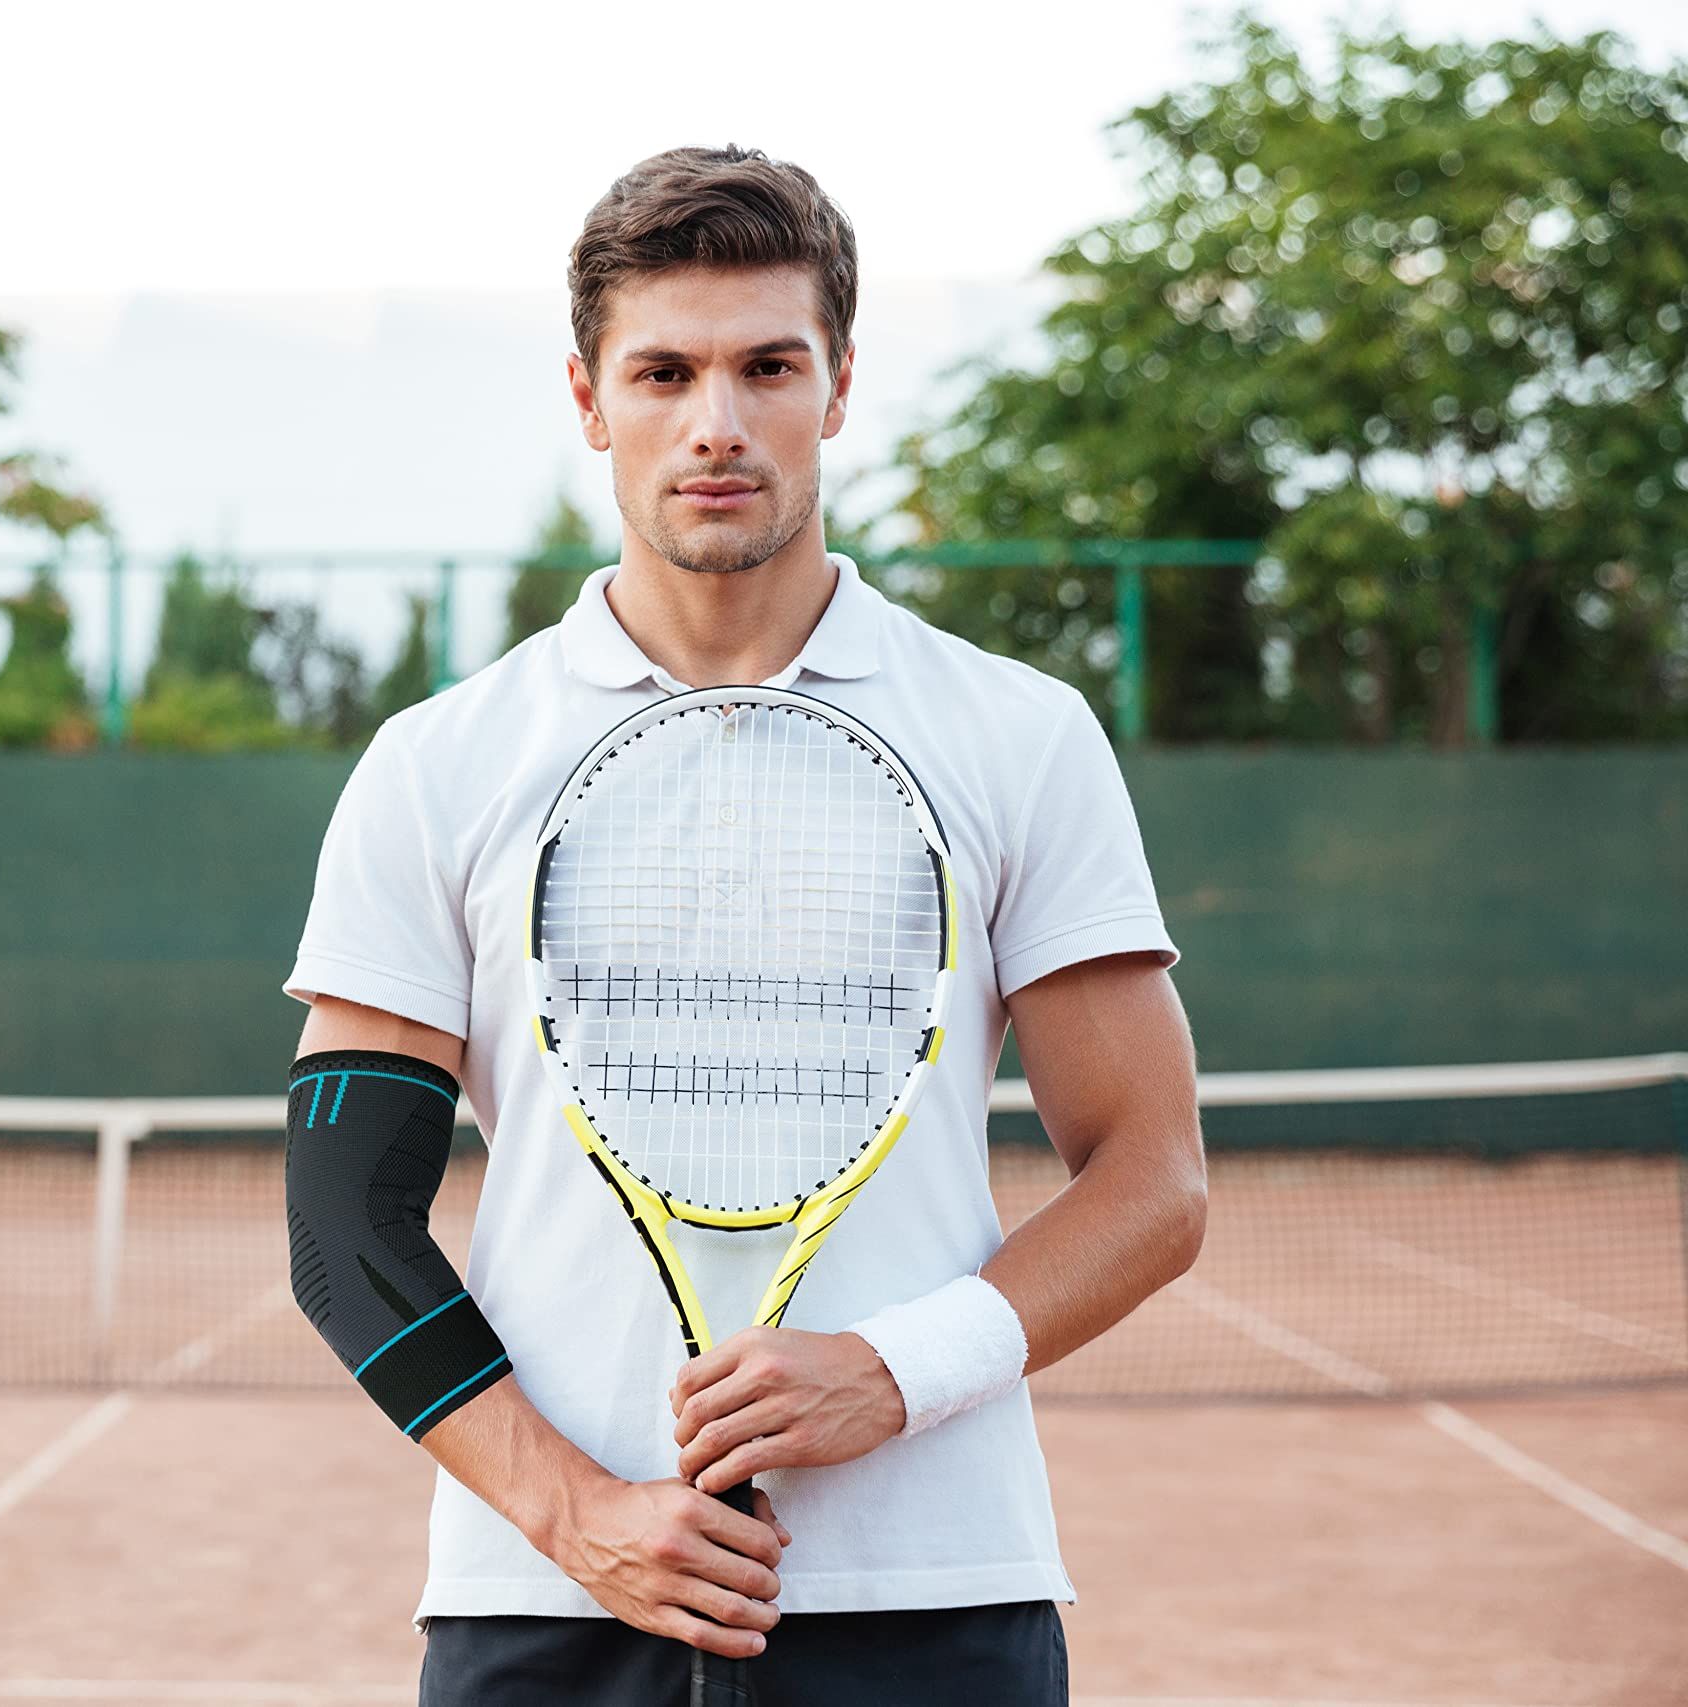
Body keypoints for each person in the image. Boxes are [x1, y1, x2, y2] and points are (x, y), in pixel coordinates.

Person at [280, 143, 1205, 1707]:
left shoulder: (1017, 736)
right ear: (588, 398)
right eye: (665, 371)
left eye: (769, 365)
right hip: (547, 1602)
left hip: (937, 1593)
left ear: (837, 387)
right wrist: (584, 1519)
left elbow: (1155, 1182)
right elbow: (342, 1228)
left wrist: (894, 1378)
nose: (718, 422)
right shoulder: (441, 764)